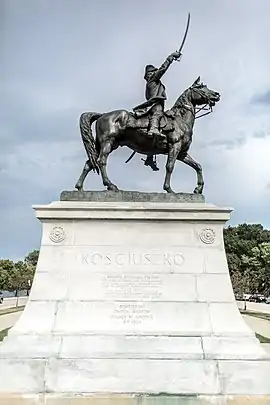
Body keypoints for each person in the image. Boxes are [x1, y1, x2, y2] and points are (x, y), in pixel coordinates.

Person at [133, 50, 182, 138]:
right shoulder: (153, 80)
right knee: (158, 113)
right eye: (154, 72)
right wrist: (171, 57)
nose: (156, 73)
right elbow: (163, 69)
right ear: (150, 74)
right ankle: (153, 129)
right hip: (155, 104)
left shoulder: (150, 83)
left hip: (153, 104)